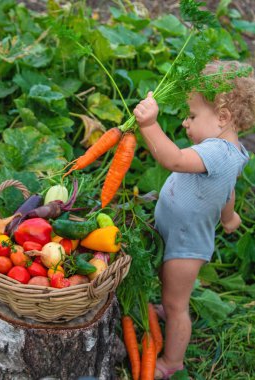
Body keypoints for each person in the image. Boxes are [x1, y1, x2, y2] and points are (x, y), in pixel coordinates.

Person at [133, 60, 255, 379]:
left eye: (192, 115)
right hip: (180, 234)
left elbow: (173, 159)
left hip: (186, 245)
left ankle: (172, 361)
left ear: (223, 118)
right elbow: (226, 191)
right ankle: (167, 306)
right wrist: (229, 218)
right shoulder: (230, 152)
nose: (186, 124)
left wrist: (149, 126)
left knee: (178, 306)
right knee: (169, 287)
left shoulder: (216, 152)